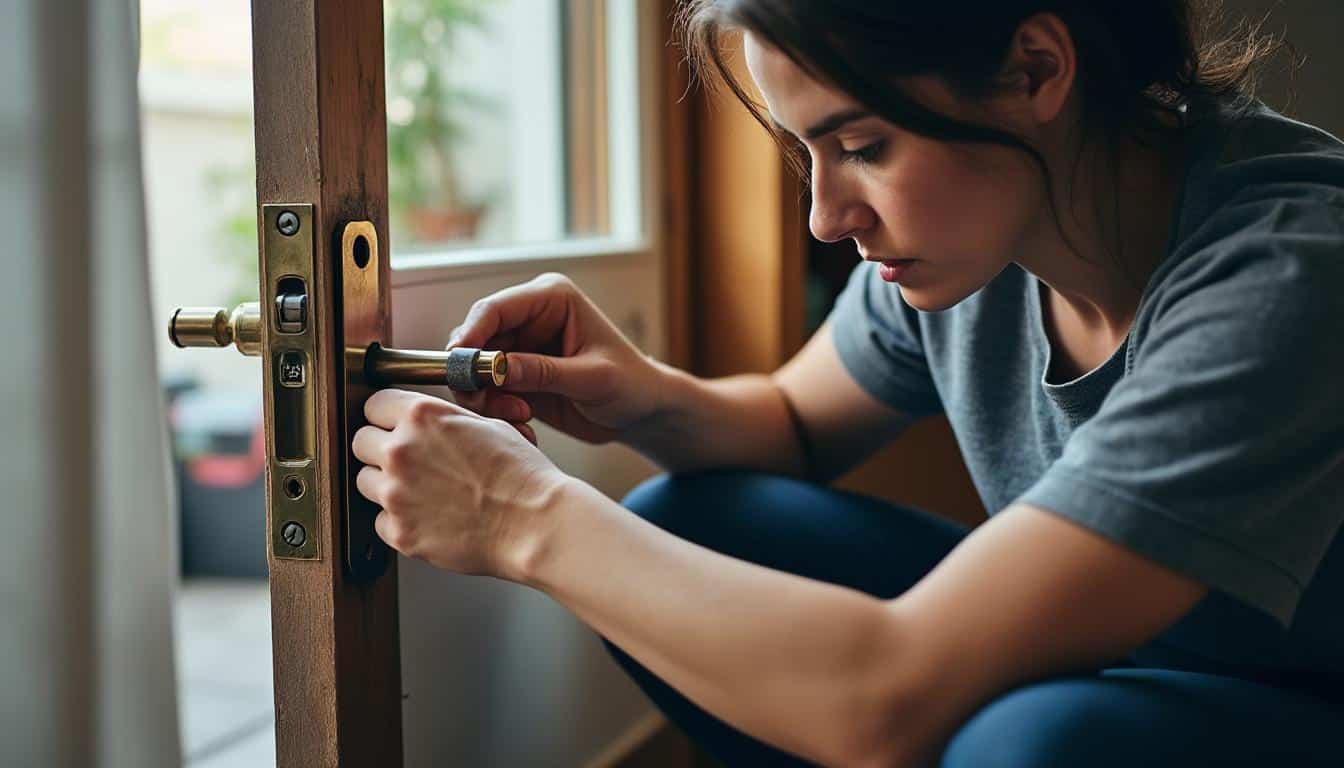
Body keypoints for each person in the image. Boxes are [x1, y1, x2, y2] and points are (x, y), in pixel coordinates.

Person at [350, 2, 1344, 764]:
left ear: (1035, 68)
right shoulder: (986, 232)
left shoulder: (1283, 277)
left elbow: (887, 699)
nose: (827, 216)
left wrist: (522, 517)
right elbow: (792, 422)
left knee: (1035, 745)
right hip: (1129, 660)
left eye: (864, 147)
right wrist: (637, 392)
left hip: (1296, 698)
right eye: (806, 152)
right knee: (689, 521)